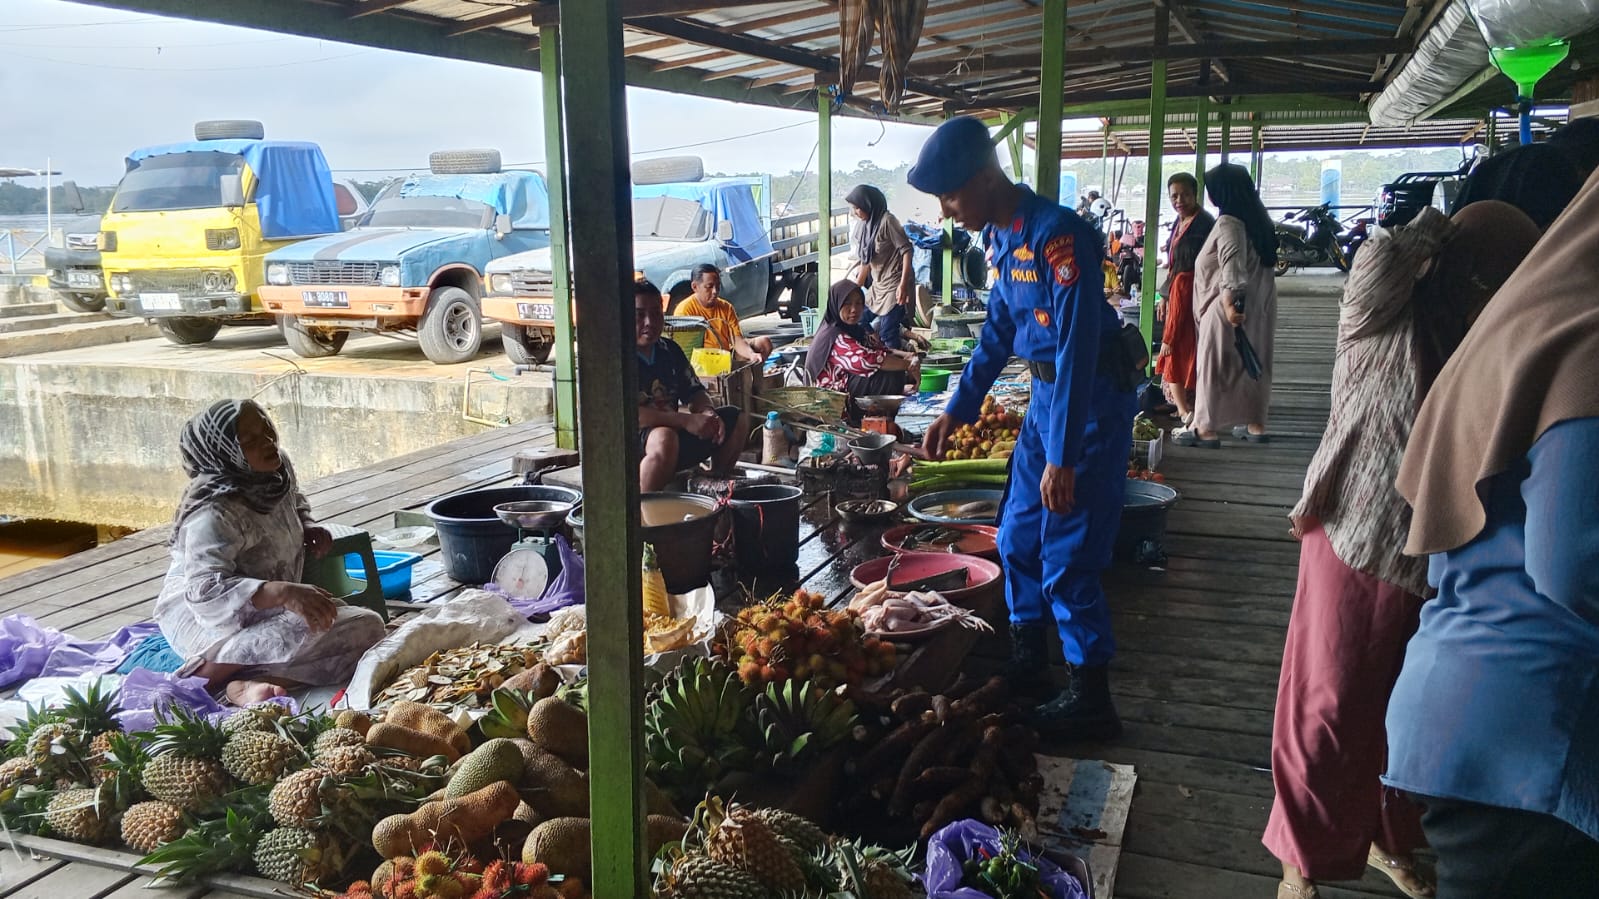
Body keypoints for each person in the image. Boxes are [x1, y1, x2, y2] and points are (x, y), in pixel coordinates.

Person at [1264, 202, 1542, 899]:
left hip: (1440, 553)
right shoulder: (1382, 314)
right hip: (1357, 534)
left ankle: (1387, 836)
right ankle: (1299, 860)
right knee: (1327, 706)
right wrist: (1440, 230)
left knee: (1401, 707)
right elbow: (1377, 258)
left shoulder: (1489, 339)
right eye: (1492, 277)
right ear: (1460, 268)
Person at [1386, 171, 1599, 898]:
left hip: (1459, 701)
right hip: (1534, 729)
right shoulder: (1586, 332)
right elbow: (1573, 559)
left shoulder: (1514, 321)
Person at [910, 116, 1137, 737]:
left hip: (1085, 406)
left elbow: (1076, 349)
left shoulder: (1059, 237)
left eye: (951, 196)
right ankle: (1029, 662)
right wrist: (957, 408)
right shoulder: (1004, 239)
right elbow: (998, 333)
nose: (948, 211)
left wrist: (1062, 456)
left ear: (985, 178)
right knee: (1016, 535)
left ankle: (1091, 697)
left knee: (1066, 550)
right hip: (1044, 402)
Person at [156, 400, 385, 706]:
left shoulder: (276, 469)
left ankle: (250, 684)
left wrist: (307, 525)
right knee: (320, 626)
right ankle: (208, 674)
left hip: (270, 606)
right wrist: (279, 592)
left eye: (267, 429)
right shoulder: (213, 514)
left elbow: (294, 500)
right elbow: (203, 592)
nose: (268, 442)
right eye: (249, 441)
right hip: (209, 618)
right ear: (224, 453)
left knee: (367, 631)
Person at [1175, 163, 1278, 448]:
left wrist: (1229, 304)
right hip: (1260, 307)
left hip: (1225, 308)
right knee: (1253, 365)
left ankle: (1204, 428)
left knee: (1213, 367)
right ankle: (1256, 424)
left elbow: (1231, 266)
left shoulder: (1229, 222)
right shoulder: (1259, 220)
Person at [636, 278, 747, 492]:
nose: (649, 322)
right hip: (632, 443)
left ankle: (714, 482)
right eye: (640, 315)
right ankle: (644, 510)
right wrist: (685, 421)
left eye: (656, 313)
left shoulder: (669, 350)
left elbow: (694, 391)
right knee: (664, 437)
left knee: (736, 418)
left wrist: (708, 413)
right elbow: (629, 415)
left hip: (673, 435)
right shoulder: (617, 358)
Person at [1154, 173, 1215, 426]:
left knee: (1178, 350)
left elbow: (1189, 268)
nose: (1179, 200)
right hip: (1178, 291)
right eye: (1174, 196)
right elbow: (1173, 266)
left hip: (1193, 293)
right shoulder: (1180, 222)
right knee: (1185, 351)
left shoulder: (1204, 225)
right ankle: (1185, 405)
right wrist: (1163, 296)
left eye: (1185, 195)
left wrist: (1172, 297)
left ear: (1195, 194)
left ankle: (1186, 409)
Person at [805, 280, 919, 407]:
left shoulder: (854, 329)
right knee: (887, 373)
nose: (854, 309)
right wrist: (908, 365)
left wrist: (907, 355)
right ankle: (864, 414)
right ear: (836, 304)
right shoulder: (834, 335)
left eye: (859, 303)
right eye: (847, 303)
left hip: (847, 383)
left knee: (893, 362)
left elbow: (878, 348)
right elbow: (867, 360)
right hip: (832, 400)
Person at [845, 184, 914, 350]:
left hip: (895, 284)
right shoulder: (864, 226)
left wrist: (903, 285)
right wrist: (852, 290)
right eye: (853, 209)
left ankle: (897, 373)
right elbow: (865, 263)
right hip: (878, 286)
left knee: (888, 333)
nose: (855, 212)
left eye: (858, 208)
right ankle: (881, 354)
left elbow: (907, 251)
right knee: (860, 318)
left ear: (869, 205)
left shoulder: (888, 221)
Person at [672, 263, 772, 365]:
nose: (715, 291)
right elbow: (685, 351)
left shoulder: (726, 307)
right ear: (695, 287)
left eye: (717, 286)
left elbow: (736, 340)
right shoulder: (684, 310)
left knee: (764, 343)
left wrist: (751, 355)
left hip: (726, 356)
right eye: (709, 287)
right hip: (702, 362)